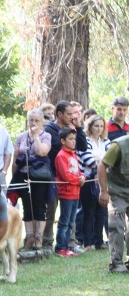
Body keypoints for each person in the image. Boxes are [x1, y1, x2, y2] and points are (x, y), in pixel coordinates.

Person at [42, 101, 88, 252]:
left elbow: (82, 146)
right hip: (54, 176)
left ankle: (71, 243)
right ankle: (48, 242)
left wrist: (79, 127)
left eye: (73, 113)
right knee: (51, 211)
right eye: (69, 114)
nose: (72, 116)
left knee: (69, 215)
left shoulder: (71, 130)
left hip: (71, 180)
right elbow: (55, 149)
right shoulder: (49, 129)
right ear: (60, 114)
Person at [10, 109, 52, 250]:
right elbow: (16, 157)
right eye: (31, 120)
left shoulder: (46, 136)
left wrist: (36, 137)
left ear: (41, 122)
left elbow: (41, 152)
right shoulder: (21, 136)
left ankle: (38, 237)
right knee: (27, 206)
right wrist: (14, 175)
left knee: (39, 206)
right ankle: (29, 237)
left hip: (39, 176)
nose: (33, 123)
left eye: (36, 120)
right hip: (23, 174)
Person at [98, 126, 129, 273]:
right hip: (117, 190)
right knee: (117, 225)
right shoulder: (119, 145)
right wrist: (103, 191)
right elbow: (102, 166)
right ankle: (116, 263)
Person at [78, 115, 110, 251]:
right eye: (96, 126)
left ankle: (99, 241)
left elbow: (111, 162)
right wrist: (102, 162)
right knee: (89, 212)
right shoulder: (85, 141)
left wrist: (99, 161)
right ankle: (88, 242)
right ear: (90, 126)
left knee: (101, 211)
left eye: (101, 126)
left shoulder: (106, 141)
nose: (99, 129)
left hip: (103, 180)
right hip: (88, 180)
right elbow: (89, 161)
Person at [54, 128, 85, 257]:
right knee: (65, 222)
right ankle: (60, 247)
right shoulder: (61, 156)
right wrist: (78, 180)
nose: (74, 141)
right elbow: (66, 175)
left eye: (74, 139)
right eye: (70, 139)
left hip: (75, 192)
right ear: (63, 141)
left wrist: (83, 176)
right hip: (66, 193)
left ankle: (67, 247)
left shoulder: (73, 154)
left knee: (71, 222)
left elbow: (78, 171)